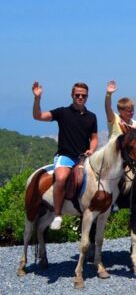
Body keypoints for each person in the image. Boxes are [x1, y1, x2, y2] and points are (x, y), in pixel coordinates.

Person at [32, 81, 98, 230]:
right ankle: (57, 214)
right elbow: (38, 116)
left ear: (87, 97)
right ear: (72, 95)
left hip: (83, 158)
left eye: (83, 95)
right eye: (77, 95)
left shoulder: (91, 117)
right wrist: (37, 99)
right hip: (66, 156)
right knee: (61, 178)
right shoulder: (62, 113)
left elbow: (94, 138)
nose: (80, 97)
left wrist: (92, 150)